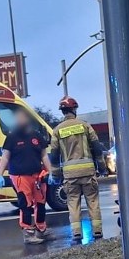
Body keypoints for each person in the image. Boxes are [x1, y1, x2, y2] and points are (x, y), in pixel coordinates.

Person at [50, 96, 105, 243]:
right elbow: (97, 149)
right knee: (93, 201)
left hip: (70, 175)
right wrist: (102, 167)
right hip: (88, 172)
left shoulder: (57, 131)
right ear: (74, 110)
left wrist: (55, 175)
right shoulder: (85, 126)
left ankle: (76, 234)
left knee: (73, 203)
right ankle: (98, 231)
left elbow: (54, 155)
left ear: (62, 112)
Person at [0, 108, 53, 244]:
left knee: (40, 203)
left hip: (38, 176)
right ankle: (28, 232)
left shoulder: (37, 136)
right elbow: (5, 157)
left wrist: (50, 172)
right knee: (26, 205)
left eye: (24, 117)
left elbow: (44, 155)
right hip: (20, 176)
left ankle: (41, 229)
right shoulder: (12, 137)